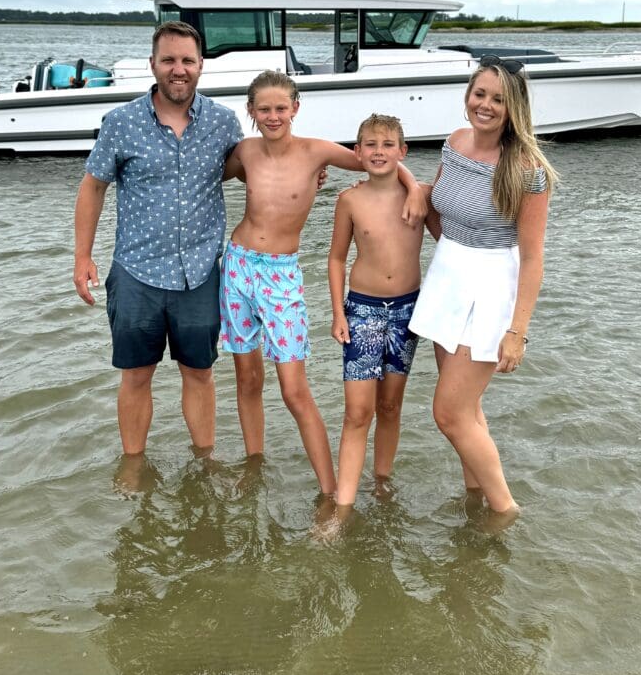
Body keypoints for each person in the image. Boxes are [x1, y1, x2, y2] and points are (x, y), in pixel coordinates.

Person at [220, 72, 427, 495]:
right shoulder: (244, 152)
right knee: (247, 379)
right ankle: (253, 463)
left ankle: (331, 491)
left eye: (281, 108)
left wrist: (413, 189)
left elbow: (376, 163)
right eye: (264, 109)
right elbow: (218, 178)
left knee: (294, 390)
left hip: (281, 272)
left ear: (296, 108)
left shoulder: (317, 152)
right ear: (251, 112)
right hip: (238, 265)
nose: (273, 116)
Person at [73, 20, 243, 457]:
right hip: (136, 272)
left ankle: (205, 462)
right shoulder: (121, 122)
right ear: (153, 64)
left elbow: (259, 166)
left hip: (201, 273)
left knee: (200, 374)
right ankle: (133, 465)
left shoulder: (223, 123)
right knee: (135, 374)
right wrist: (82, 257)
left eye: (187, 60)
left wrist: (309, 172)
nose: (178, 69)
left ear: (201, 65)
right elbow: (93, 186)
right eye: (168, 60)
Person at [408, 55, 558, 524]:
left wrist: (518, 331)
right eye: (479, 94)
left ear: (514, 108)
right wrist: (416, 188)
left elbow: (533, 257)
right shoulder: (454, 144)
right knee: (466, 410)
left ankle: (504, 509)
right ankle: (474, 499)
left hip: (493, 287)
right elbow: (441, 208)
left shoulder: (527, 169)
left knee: (448, 413)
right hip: (448, 275)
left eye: (497, 99)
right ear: (467, 95)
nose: (485, 105)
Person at [327, 114, 438, 509]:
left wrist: (413, 187)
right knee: (358, 412)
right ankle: (343, 504)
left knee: (390, 406)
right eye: (370, 145)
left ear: (403, 152)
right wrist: (338, 313)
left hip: (408, 312)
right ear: (357, 153)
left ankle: (382, 486)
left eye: (388, 144)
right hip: (362, 311)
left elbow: (456, 241)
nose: (379, 152)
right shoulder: (350, 200)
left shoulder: (421, 197)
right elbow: (337, 258)